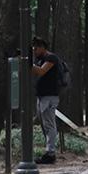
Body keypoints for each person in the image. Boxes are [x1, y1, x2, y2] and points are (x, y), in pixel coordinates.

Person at [31, 36, 61, 164]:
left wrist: (26, 62)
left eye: (36, 48)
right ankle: (49, 151)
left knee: (49, 124)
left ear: (43, 47)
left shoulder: (51, 58)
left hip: (50, 96)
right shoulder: (40, 59)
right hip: (42, 96)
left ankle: (50, 153)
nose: (34, 51)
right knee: (45, 124)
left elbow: (42, 71)